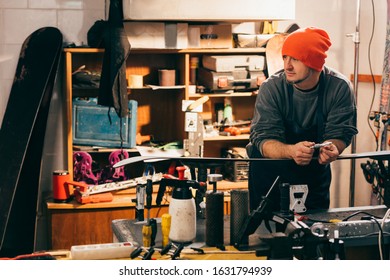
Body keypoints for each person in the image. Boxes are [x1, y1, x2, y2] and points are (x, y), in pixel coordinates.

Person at [246, 27, 358, 211]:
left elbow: (341, 133)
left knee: (314, 232)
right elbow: (263, 138)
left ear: (314, 62)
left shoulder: (339, 87)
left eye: (296, 59)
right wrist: (291, 151)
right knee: (265, 236)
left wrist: (333, 147)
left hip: (313, 177)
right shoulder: (272, 88)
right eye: (285, 57)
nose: (287, 66)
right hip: (269, 177)